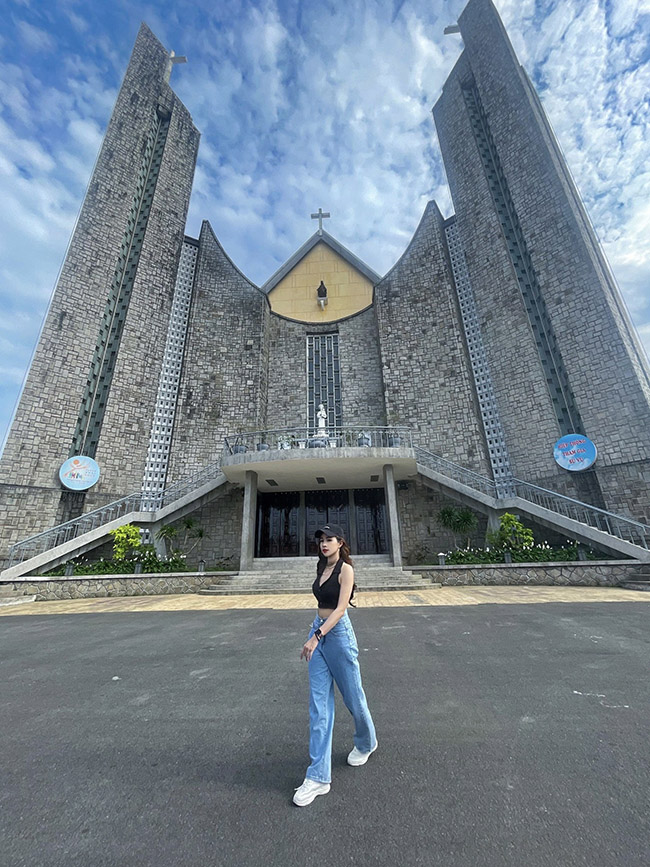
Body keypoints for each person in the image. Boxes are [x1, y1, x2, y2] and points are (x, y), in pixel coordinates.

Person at [293, 524, 377, 807]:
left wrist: (317, 636)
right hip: (319, 631)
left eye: (329, 540)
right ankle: (318, 777)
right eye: (321, 540)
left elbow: (341, 610)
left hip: (337, 636)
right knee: (319, 708)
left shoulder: (346, 570)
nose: (324, 544)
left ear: (340, 542)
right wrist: (315, 632)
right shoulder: (322, 568)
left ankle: (366, 742)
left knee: (354, 699)